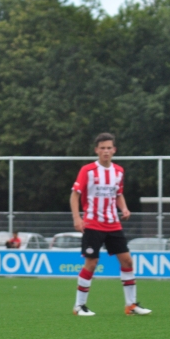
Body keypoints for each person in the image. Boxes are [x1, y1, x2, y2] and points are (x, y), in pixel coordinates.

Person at [70, 133, 151, 317]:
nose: (106, 151)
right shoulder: (88, 170)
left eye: (109, 148)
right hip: (92, 223)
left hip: (113, 224)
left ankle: (131, 305)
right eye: (102, 148)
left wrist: (124, 208)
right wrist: (77, 218)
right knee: (91, 262)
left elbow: (118, 194)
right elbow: (75, 194)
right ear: (96, 150)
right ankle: (79, 306)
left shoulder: (119, 171)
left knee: (127, 261)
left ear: (114, 150)